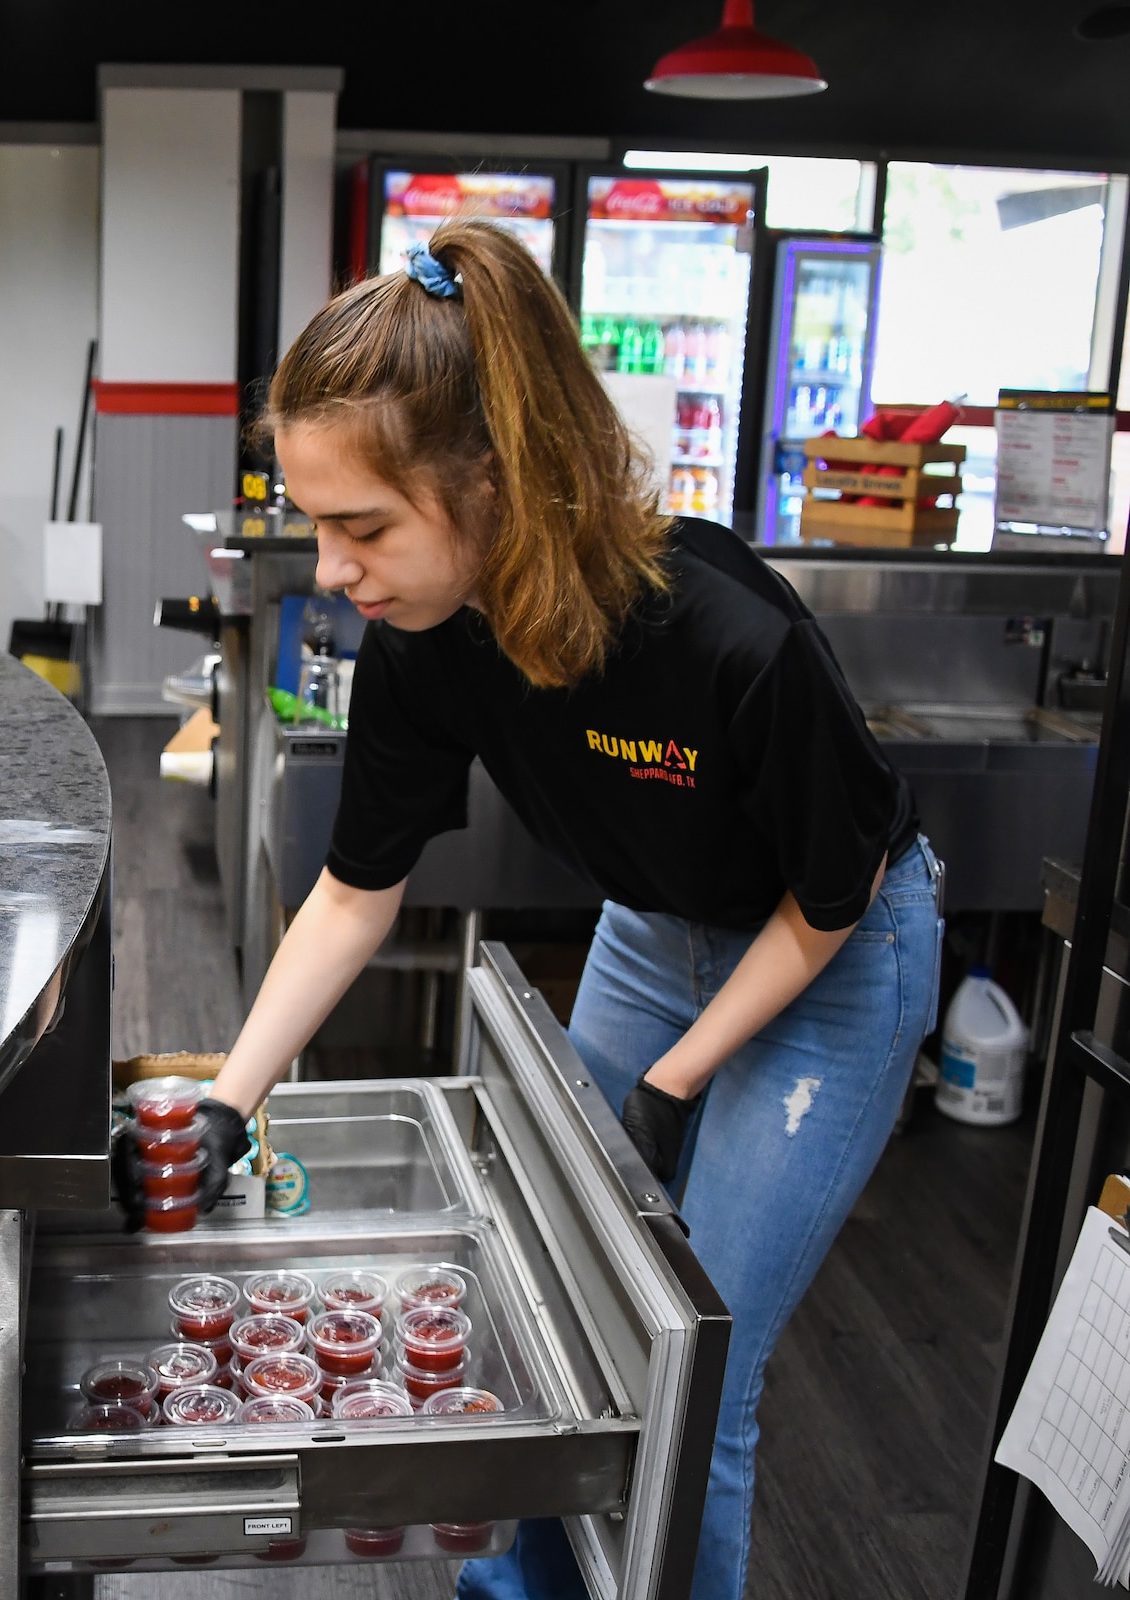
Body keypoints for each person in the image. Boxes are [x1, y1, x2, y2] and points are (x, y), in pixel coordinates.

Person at [177, 222, 942, 1600]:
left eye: (365, 528)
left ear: (493, 480)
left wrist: (677, 1077)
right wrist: (230, 1100)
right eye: (318, 528)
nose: (337, 571)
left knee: (690, 1360)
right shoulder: (428, 641)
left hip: (833, 959)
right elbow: (356, 892)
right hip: (657, 930)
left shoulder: (721, 634)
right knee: (555, 1307)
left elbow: (839, 892)